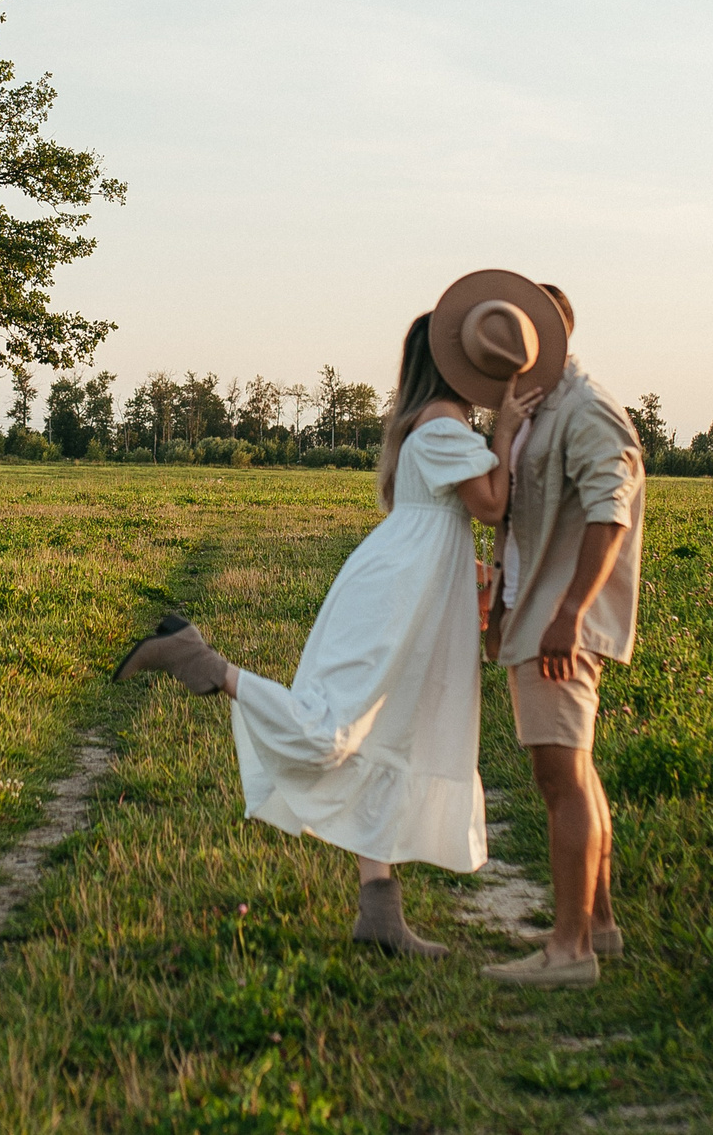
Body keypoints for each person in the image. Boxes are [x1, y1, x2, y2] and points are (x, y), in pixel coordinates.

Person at [110, 304, 543, 957]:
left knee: (391, 735)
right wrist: (505, 432)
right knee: (334, 731)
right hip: (397, 597)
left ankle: (380, 915)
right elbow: (490, 504)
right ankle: (198, 660)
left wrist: (469, 573)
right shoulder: (443, 424)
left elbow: (441, 521)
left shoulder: (430, 423)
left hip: (412, 591)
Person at [477, 281, 645, 991]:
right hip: (535, 610)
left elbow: (612, 511)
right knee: (575, 771)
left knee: (559, 780)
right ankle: (597, 923)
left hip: (559, 621)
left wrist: (571, 612)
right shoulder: (544, 408)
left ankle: (569, 950)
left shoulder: (587, 407)